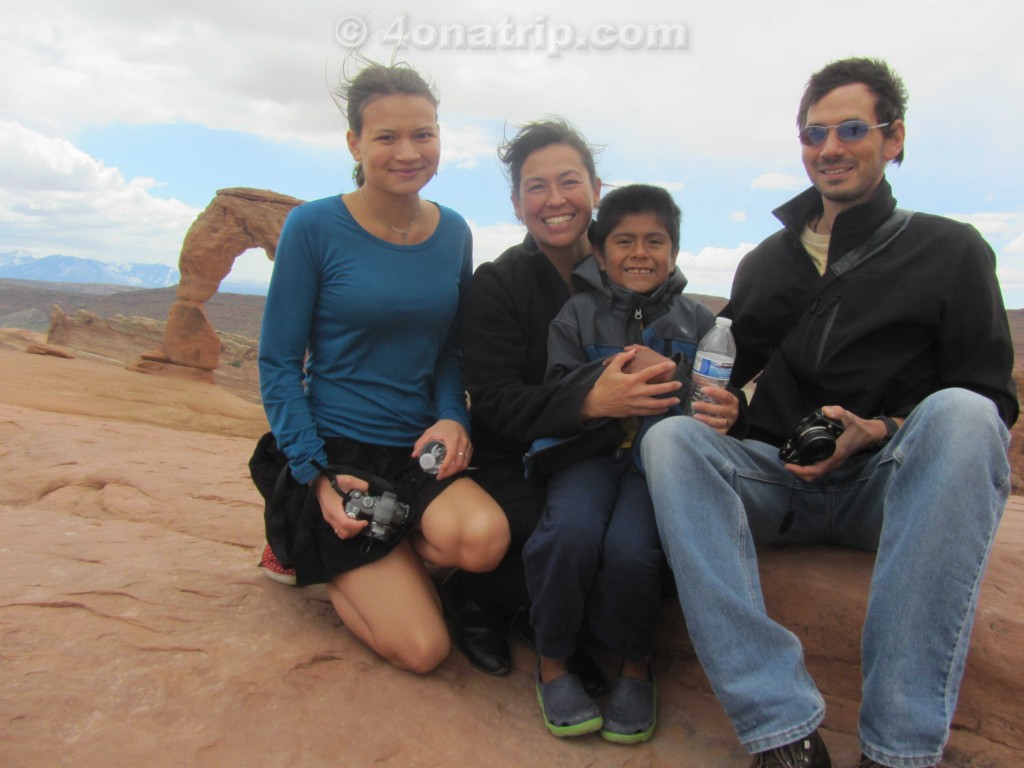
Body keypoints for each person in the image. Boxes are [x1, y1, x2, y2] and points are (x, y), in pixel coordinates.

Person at [640, 56, 1018, 768]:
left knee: (964, 413)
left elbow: (993, 401)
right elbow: (731, 371)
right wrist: (717, 408)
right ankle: (780, 729)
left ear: (893, 138)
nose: (831, 148)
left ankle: (898, 749)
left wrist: (877, 431)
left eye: (851, 129)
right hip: (779, 482)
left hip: (888, 486)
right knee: (671, 443)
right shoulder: (766, 263)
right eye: (815, 134)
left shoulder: (952, 250)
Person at [449, 119, 740, 682]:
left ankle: (573, 629)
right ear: (516, 203)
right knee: (558, 533)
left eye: (568, 181)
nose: (554, 200)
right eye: (536, 187)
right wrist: (587, 402)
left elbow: (703, 373)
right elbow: (495, 403)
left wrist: (729, 410)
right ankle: (484, 597)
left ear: (595, 190)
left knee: (638, 536)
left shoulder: (633, 272)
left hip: (621, 457)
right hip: (525, 454)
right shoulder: (499, 283)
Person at [256, 60, 509, 674]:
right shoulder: (314, 226)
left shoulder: (453, 231)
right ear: (354, 143)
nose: (408, 151)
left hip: (417, 449)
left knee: (484, 539)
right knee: (425, 651)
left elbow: (450, 348)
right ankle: (315, 554)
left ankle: (380, 561)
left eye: (424, 134)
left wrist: (452, 417)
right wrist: (315, 475)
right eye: (386, 136)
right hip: (340, 454)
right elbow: (279, 363)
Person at [524, 183, 740, 742]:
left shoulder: (698, 323)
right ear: (599, 251)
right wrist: (613, 380)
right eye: (624, 241)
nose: (640, 253)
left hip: (655, 465)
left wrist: (719, 407)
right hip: (585, 454)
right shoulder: (576, 314)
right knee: (567, 533)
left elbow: (707, 404)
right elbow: (557, 391)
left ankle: (635, 666)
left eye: (655, 241)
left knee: (633, 548)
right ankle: (552, 661)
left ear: (674, 250)